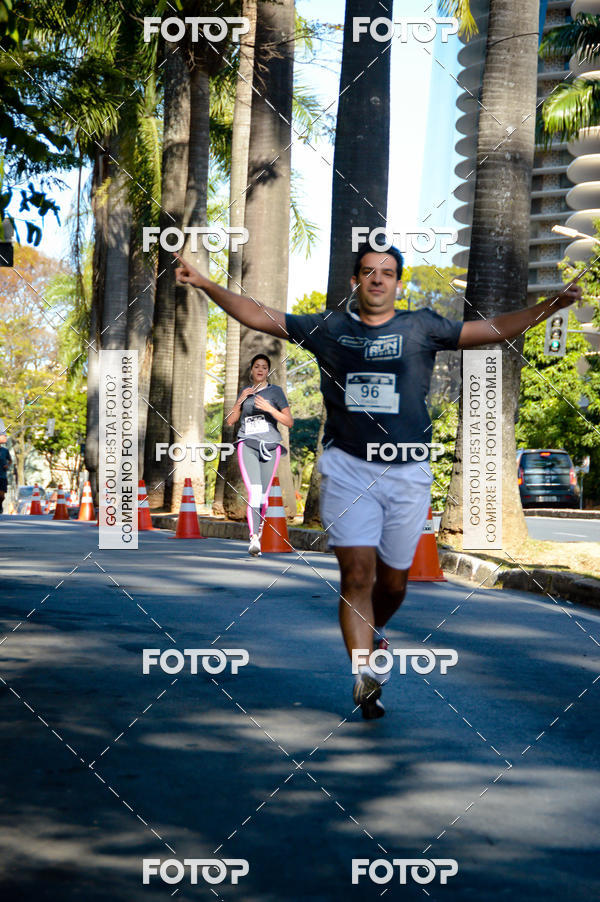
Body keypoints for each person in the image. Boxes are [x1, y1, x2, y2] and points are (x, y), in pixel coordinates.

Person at [174, 247, 581, 718]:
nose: (378, 279)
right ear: (355, 281)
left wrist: (550, 307)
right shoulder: (330, 329)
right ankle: (364, 671)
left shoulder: (422, 327)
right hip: (348, 468)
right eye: (369, 272)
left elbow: (490, 330)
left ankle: (372, 635)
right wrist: (205, 283)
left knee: (394, 583)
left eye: (387, 273)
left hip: (407, 471)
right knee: (358, 575)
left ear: (398, 284)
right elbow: (259, 315)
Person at [225, 353, 293, 556]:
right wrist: (240, 400)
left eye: (264, 367)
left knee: (263, 494)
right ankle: (254, 537)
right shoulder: (244, 392)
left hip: (271, 445)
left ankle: (260, 529)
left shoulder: (276, 392)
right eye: (257, 366)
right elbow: (230, 420)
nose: (260, 370)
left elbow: (288, 422)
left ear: (268, 371)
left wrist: (269, 409)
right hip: (248, 443)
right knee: (254, 491)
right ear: (252, 370)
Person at [0, 433, 11, 514]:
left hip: (2, 476)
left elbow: (10, 460)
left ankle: (0, 504)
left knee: (1, 496)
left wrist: (7, 465)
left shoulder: (5, 451)